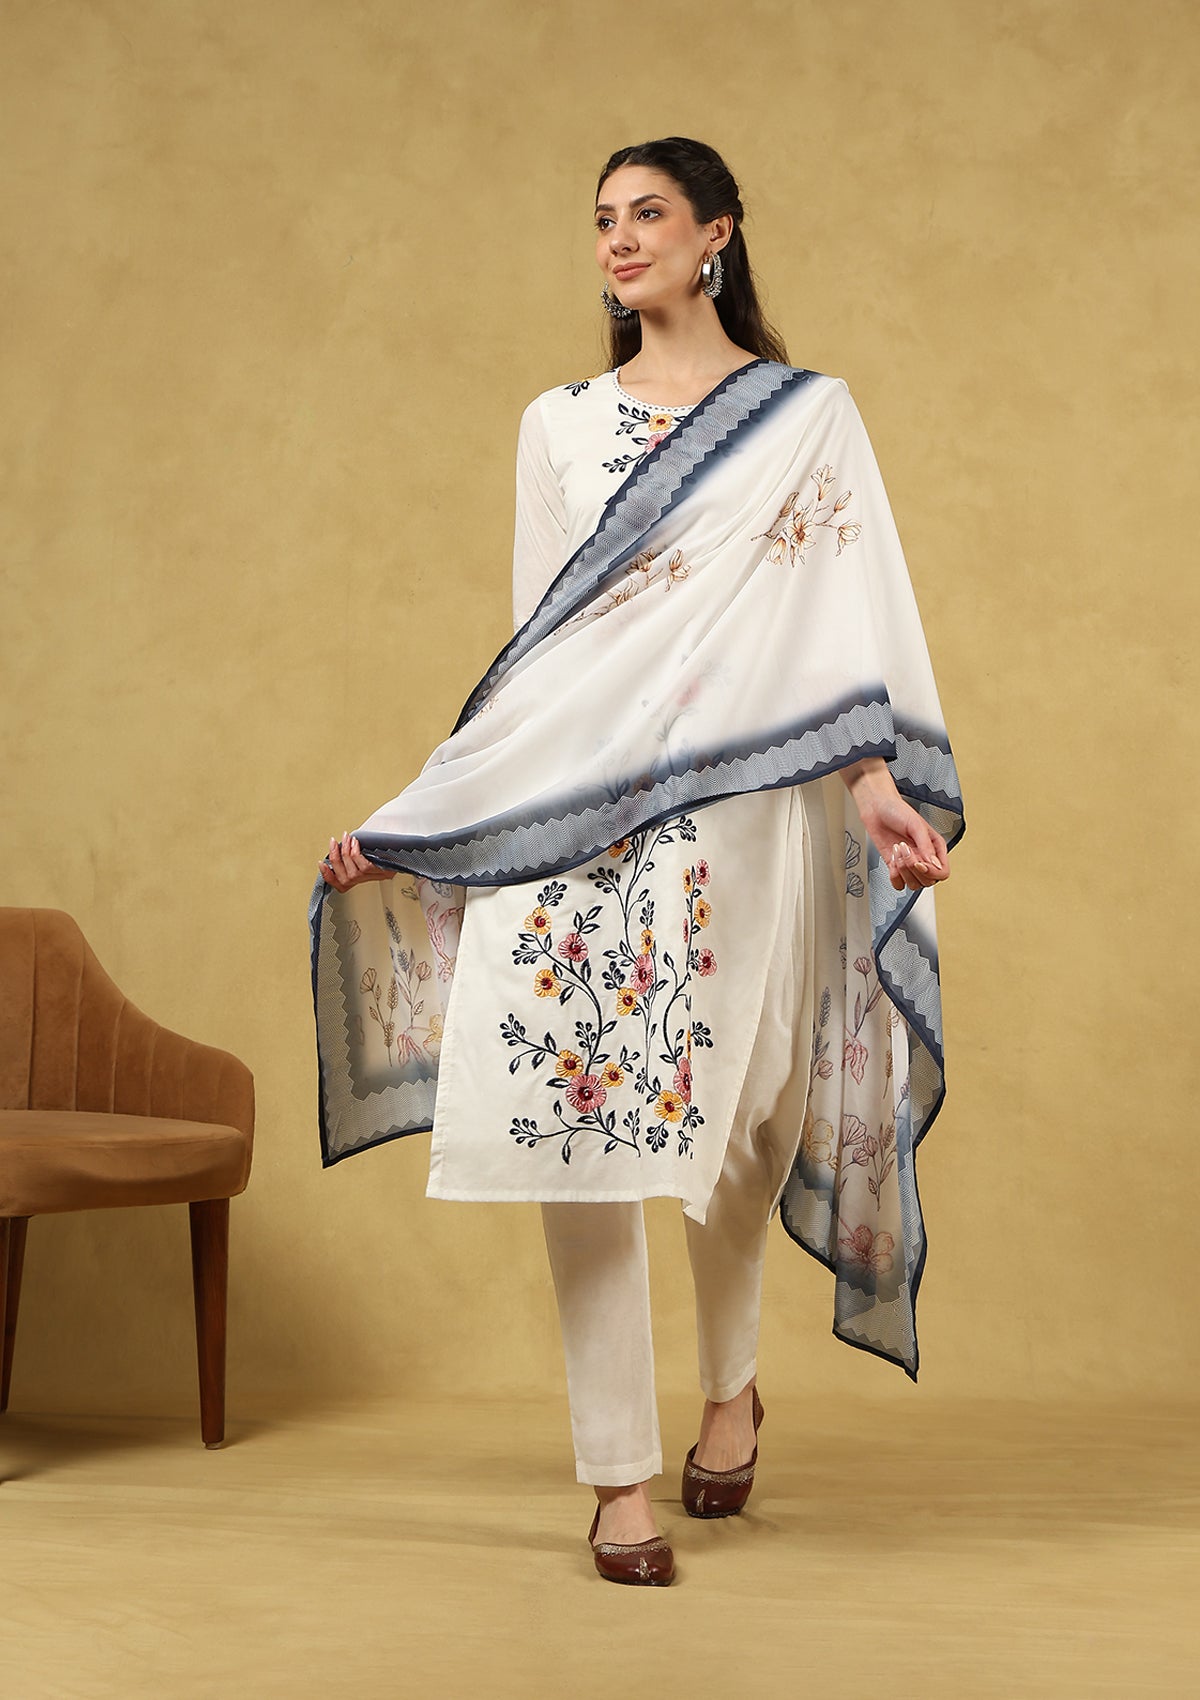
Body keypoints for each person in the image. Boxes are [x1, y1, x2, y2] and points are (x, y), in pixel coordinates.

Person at [311, 137, 963, 1588]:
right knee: (578, 1126)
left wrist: (873, 785)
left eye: (648, 213)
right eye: (603, 218)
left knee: (739, 1120)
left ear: (716, 233)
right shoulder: (557, 425)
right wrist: (428, 816)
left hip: (745, 805)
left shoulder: (804, 416)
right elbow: (540, 647)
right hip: (580, 804)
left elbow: (838, 621)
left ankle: (731, 1389)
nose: (618, 239)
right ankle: (615, 1477)